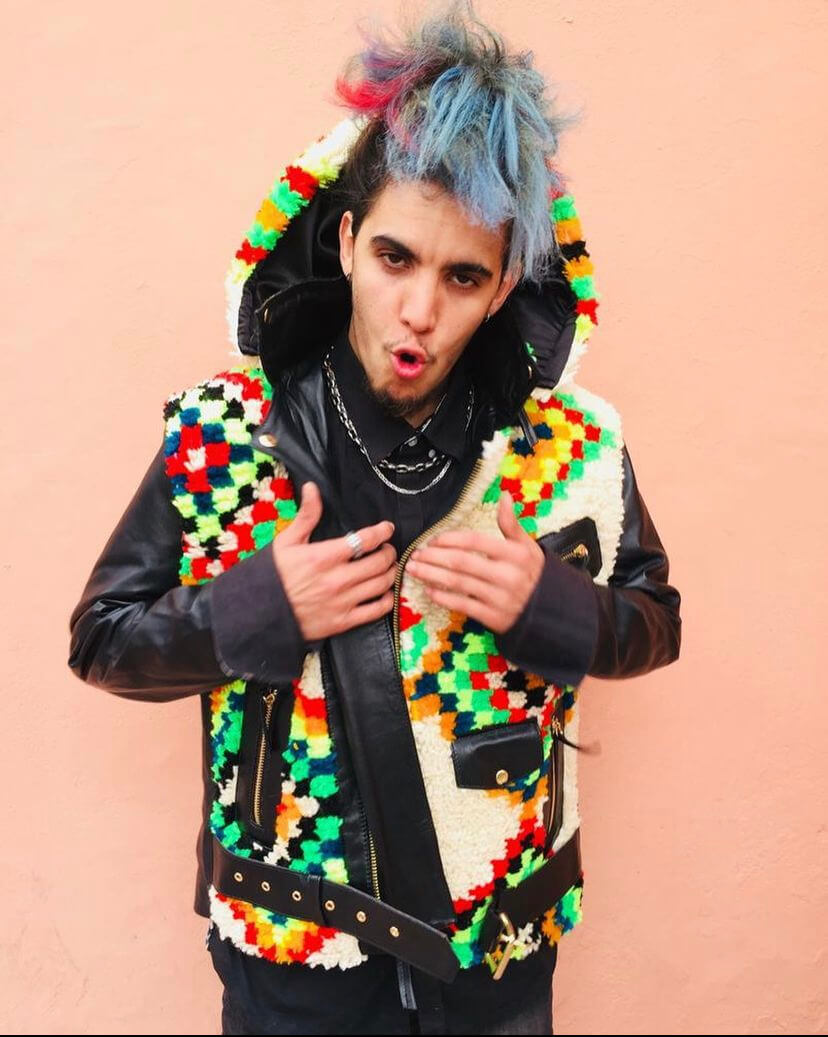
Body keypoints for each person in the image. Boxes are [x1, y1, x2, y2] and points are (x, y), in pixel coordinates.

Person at [67, 1, 682, 1032]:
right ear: (348, 240)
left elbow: (656, 619)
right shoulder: (225, 434)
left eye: (462, 276)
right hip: (294, 966)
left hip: (497, 963)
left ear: (502, 288)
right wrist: (256, 607)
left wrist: (556, 607)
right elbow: (102, 639)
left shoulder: (573, 446)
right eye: (397, 258)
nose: (419, 312)